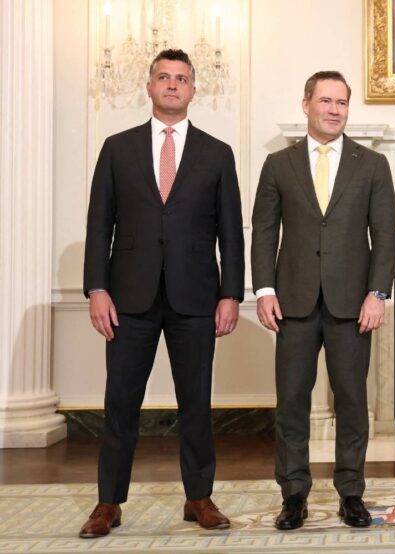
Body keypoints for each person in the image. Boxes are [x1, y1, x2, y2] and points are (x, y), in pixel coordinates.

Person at [80, 49, 243, 538]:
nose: (173, 85)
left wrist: (231, 294)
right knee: (120, 403)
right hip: (128, 298)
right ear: (149, 86)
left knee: (196, 402)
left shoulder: (217, 153)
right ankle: (108, 502)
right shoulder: (117, 148)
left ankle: (199, 497)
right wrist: (96, 288)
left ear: (194, 89)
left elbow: (231, 231)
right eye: (164, 77)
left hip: (197, 297)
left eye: (182, 79)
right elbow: (99, 224)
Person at [250, 71, 395, 530]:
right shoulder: (279, 164)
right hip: (291, 303)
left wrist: (377, 294)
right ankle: (293, 495)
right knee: (291, 403)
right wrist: (264, 290)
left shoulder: (372, 164)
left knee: (353, 402)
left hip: (352, 305)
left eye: (342, 103)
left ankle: (351, 493)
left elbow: (386, 236)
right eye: (326, 101)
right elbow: (263, 232)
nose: (334, 110)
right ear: (306, 104)